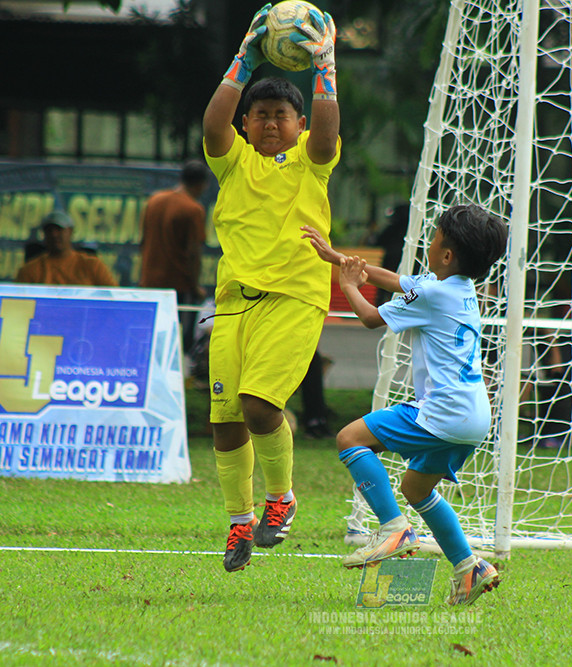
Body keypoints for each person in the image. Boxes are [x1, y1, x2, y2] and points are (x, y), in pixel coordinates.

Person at [303, 204, 509, 606]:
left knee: (350, 438)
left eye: (434, 239)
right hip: (473, 417)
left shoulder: (432, 294)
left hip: (442, 413)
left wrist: (347, 285)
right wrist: (339, 258)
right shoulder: (458, 288)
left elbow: (369, 317)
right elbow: (399, 281)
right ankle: (470, 567)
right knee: (416, 487)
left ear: (446, 255)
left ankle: (393, 529)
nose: (429, 244)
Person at [202, 4, 340, 573]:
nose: (268, 122)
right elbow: (213, 126)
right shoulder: (232, 162)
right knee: (226, 420)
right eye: (258, 114)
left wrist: (325, 67)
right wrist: (243, 60)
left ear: (297, 123)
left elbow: (330, 132)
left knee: (261, 406)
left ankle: (280, 498)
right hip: (234, 305)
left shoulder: (310, 162)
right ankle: (239, 522)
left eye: (281, 113)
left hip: (294, 299)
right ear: (246, 123)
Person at [140, 159, 210, 352]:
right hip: (178, 287)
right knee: (177, 343)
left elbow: (143, 241)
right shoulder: (193, 209)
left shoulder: (154, 200)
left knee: (152, 338)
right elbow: (193, 253)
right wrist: (195, 286)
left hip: (149, 283)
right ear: (201, 184)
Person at [15, 211, 118, 286]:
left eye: (59, 230)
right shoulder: (29, 270)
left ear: (71, 231)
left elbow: (113, 297)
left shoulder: (93, 266)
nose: (54, 234)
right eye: (49, 230)